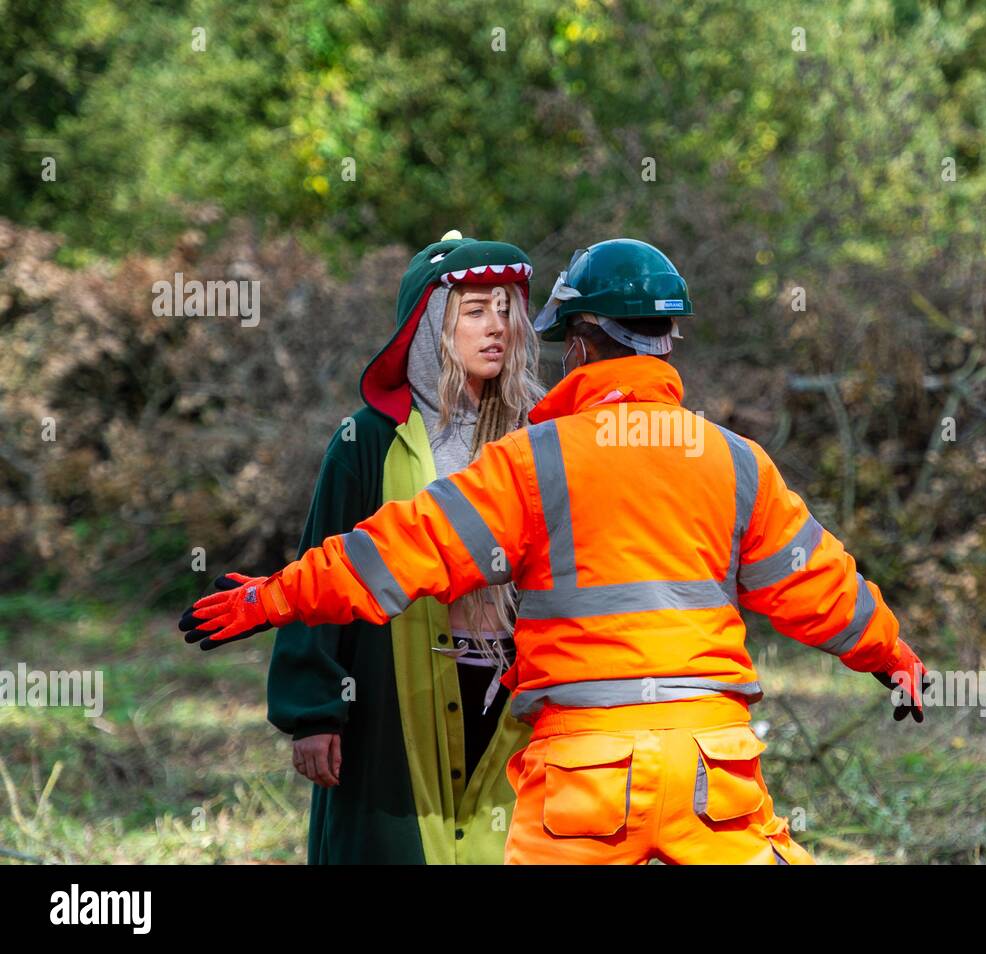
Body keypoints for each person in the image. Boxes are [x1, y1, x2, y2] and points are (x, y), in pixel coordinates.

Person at [181, 238, 928, 865]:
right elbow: (822, 588)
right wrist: (893, 657)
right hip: (714, 769)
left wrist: (268, 598)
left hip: (586, 779)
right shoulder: (735, 462)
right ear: (667, 340)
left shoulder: (532, 462)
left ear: (577, 343)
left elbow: (397, 552)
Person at [264, 230, 544, 863]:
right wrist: (313, 710)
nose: (496, 326)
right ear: (428, 327)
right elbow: (319, 569)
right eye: (474, 311)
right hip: (391, 698)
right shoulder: (366, 441)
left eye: (506, 309)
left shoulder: (539, 436)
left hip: (513, 702)